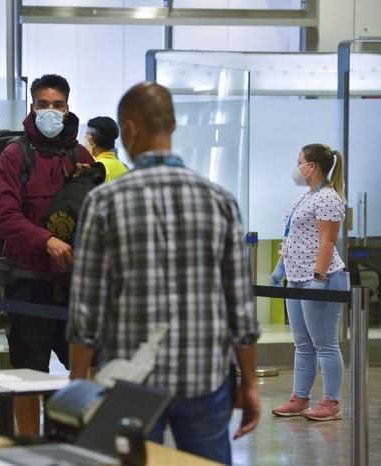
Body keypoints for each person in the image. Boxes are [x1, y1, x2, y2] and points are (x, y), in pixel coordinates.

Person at [67, 82, 261, 465]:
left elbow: (86, 308)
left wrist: (77, 384)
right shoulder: (219, 200)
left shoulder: (104, 202)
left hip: (128, 386)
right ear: (172, 125)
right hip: (205, 378)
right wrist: (251, 382)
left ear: (131, 128)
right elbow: (240, 305)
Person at [0, 74, 94, 435]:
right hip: (28, 281)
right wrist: (44, 240)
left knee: (82, 369)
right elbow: (5, 217)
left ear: (67, 108)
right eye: (43, 105)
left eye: (57, 105)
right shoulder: (14, 155)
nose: (50, 111)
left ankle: (64, 440)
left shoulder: (80, 156)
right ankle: (29, 450)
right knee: (28, 376)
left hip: (73, 286)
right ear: (32, 107)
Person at [270, 144, 349, 421]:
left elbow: (328, 241)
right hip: (296, 278)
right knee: (302, 344)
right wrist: (281, 267)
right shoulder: (304, 198)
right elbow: (293, 236)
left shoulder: (328, 198)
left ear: (311, 166)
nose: (297, 166)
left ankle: (331, 402)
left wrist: (318, 277)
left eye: (299, 161)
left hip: (322, 279)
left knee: (325, 343)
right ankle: (300, 398)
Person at [83, 116, 128, 182]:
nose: (84, 137)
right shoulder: (123, 166)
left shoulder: (97, 167)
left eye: (87, 134)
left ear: (94, 138)